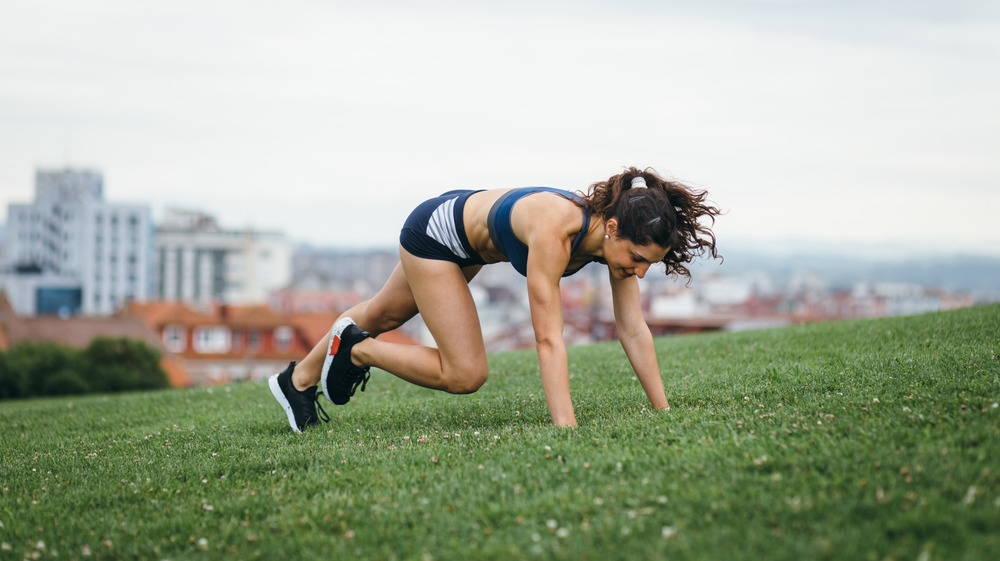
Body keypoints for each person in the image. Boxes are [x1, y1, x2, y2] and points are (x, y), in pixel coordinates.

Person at [269, 166, 720, 432]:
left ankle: (297, 382)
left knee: (380, 312)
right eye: (638, 259)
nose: (639, 272)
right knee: (466, 373)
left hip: (461, 235)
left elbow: (634, 328)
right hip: (436, 234)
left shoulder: (614, 243)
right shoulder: (557, 230)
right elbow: (548, 339)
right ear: (616, 228)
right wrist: (567, 428)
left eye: (649, 265)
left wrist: (663, 412)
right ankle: (359, 349)